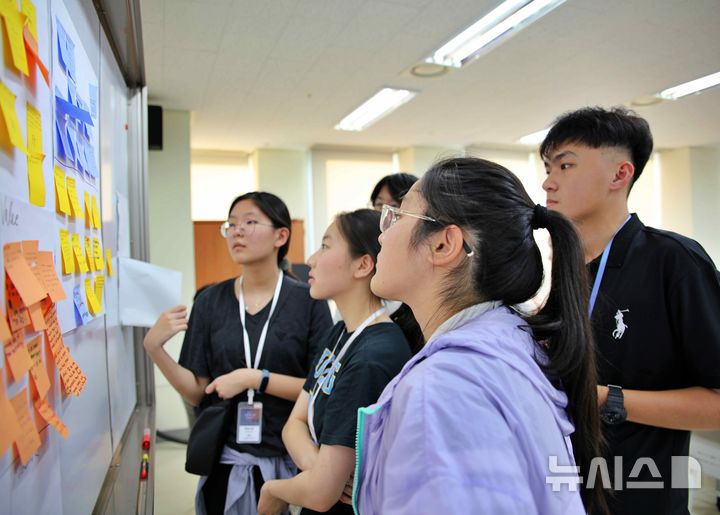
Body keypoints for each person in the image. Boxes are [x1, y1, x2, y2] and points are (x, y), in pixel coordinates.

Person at [353, 157, 606, 514]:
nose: (381, 232)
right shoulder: (507, 338)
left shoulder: (441, 391)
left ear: (444, 245)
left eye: (399, 214)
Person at [540, 106, 720, 514]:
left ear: (619, 175)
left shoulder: (674, 262)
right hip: (562, 492)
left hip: (640, 496)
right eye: (548, 167)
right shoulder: (562, 270)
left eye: (565, 165)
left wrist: (606, 399)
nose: (548, 181)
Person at [143, 192, 333, 515]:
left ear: (281, 235)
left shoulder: (309, 301)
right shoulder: (209, 301)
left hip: (292, 464)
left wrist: (256, 379)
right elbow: (197, 392)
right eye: (230, 225)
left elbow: (318, 389)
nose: (237, 231)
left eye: (249, 222)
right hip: (225, 462)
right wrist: (154, 348)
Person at [256, 209, 420, 515]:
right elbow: (294, 422)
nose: (311, 259)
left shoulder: (374, 356)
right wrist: (321, 471)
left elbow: (321, 496)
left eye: (326, 246)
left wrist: (272, 489)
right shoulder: (342, 331)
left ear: (363, 265)